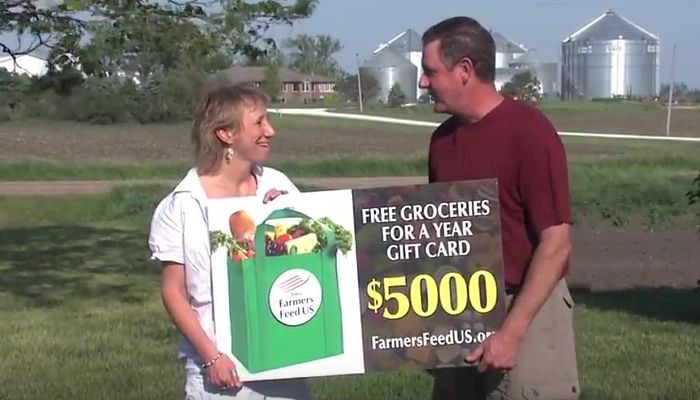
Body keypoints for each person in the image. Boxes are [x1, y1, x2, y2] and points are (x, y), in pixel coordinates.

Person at [420, 17, 580, 400]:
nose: (424, 83)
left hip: (526, 305)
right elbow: (444, 238)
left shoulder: (530, 132)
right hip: (461, 308)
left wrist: (510, 333)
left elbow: (556, 244)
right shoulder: (442, 142)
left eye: (429, 72)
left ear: (464, 71)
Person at [148, 83, 310, 400]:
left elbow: (306, 269)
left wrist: (288, 217)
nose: (271, 131)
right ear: (226, 135)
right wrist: (211, 356)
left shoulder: (280, 185)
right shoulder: (182, 204)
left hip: (284, 359)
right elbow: (174, 291)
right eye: (260, 123)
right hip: (221, 371)